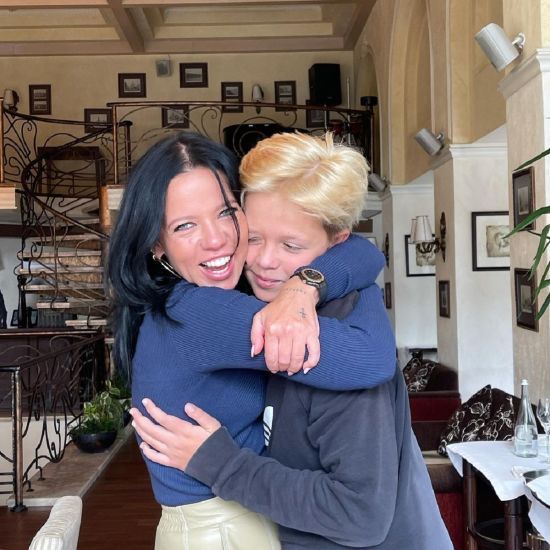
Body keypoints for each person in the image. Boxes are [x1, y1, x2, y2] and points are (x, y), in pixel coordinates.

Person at [131, 132, 453, 549]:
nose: (264, 261)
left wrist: (306, 284)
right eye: (255, 236)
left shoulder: (318, 318)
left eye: (291, 244)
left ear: (336, 240)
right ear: (157, 243)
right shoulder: (214, 311)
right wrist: (307, 281)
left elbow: (366, 264)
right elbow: (366, 289)